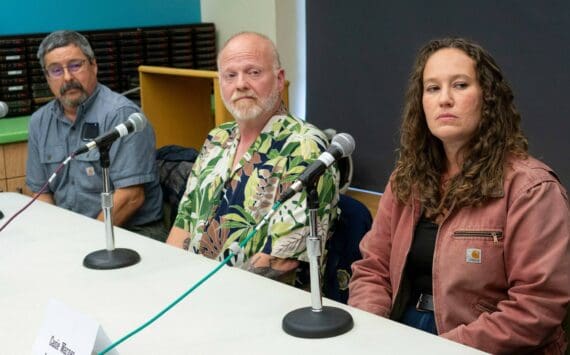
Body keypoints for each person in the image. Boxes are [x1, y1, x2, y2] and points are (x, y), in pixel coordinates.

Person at [348, 37, 569, 354]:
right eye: (433, 88)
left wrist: (440, 349)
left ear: (488, 98)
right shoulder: (405, 179)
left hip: (479, 344)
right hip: (399, 328)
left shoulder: (531, 188)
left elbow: (536, 306)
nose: (445, 99)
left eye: (461, 85)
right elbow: (373, 269)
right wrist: (372, 332)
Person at [166, 32, 339, 285]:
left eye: (254, 72)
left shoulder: (305, 147)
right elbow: (183, 224)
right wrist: (168, 284)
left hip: (260, 301)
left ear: (279, 79)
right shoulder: (217, 138)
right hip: (192, 290)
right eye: (230, 75)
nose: (241, 84)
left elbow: (282, 262)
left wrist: (204, 294)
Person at [26, 30, 167, 241]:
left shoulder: (121, 115)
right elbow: (40, 193)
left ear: (93, 65)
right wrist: (54, 238)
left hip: (132, 231)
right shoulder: (40, 122)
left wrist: (84, 241)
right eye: (56, 70)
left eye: (75, 65)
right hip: (71, 234)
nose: (67, 77)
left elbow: (131, 197)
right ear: (47, 77)